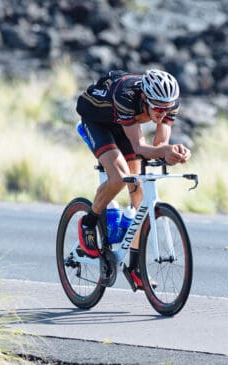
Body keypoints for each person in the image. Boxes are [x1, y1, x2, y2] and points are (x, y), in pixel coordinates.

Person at [75, 69, 191, 289]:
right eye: (157, 107)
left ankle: (135, 267)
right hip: (97, 120)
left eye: (166, 109)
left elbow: (158, 146)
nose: (162, 113)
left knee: (139, 193)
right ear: (145, 98)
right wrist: (165, 151)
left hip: (124, 124)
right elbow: (139, 147)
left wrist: (174, 154)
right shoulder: (126, 95)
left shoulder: (168, 104)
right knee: (119, 178)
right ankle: (88, 223)